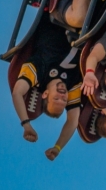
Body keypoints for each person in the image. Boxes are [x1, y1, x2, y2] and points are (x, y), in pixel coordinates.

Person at [11, 15, 83, 159]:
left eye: (56, 98)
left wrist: (26, 124)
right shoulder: (73, 84)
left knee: (78, 18)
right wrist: (58, 147)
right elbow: (73, 121)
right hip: (91, 28)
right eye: (64, 101)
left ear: (45, 94)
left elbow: (17, 93)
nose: (63, 96)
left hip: (61, 16)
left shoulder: (39, 70)